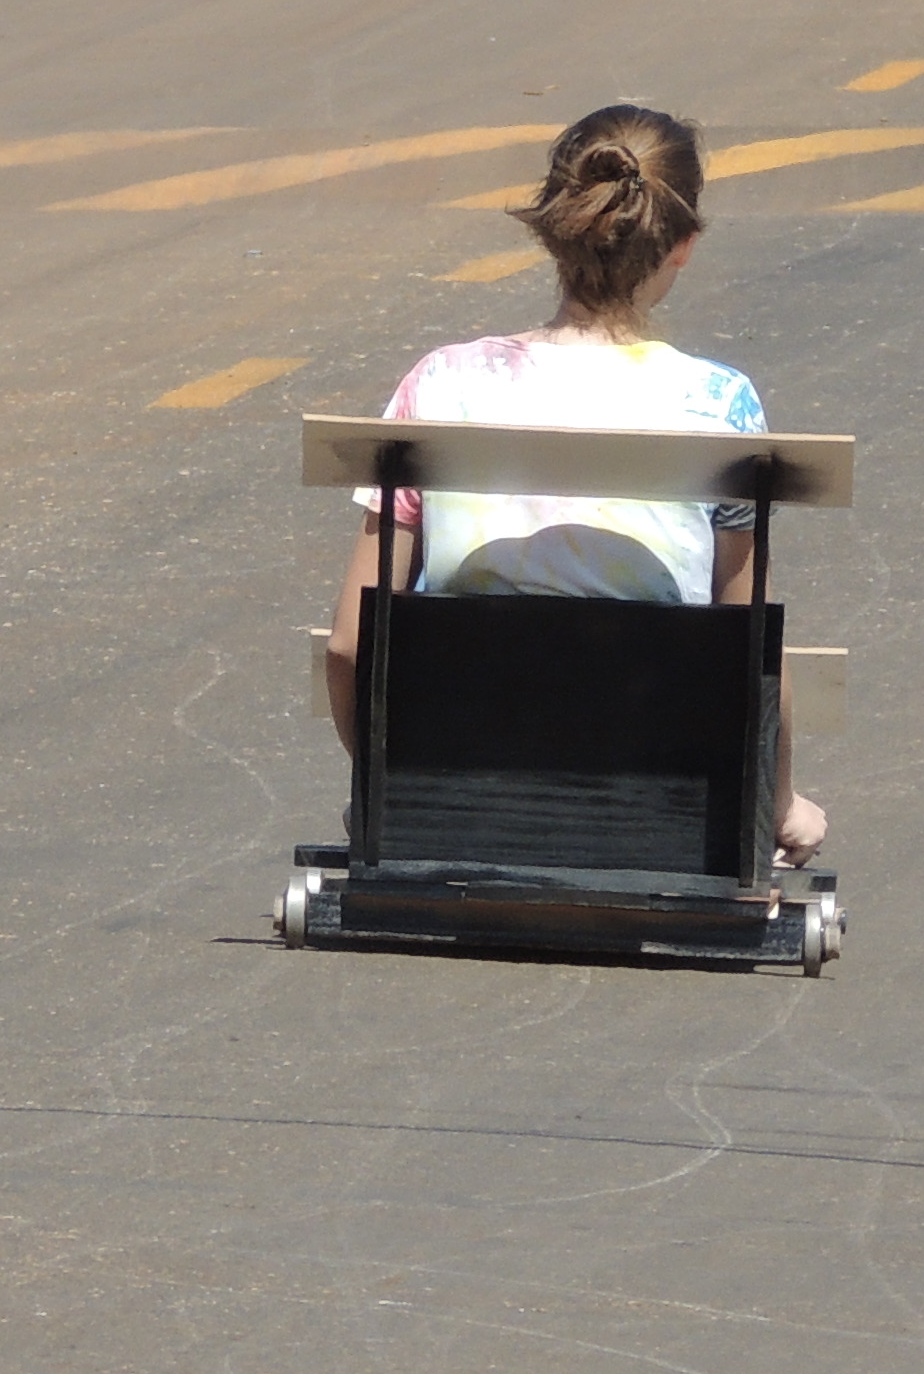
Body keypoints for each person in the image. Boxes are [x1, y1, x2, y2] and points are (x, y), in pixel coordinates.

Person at [319, 106, 829, 855]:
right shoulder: (720, 406)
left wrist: (390, 781)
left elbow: (348, 646)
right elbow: (748, 645)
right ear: (683, 245)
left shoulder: (441, 385)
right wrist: (781, 804)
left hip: (455, 785)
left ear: (554, 231)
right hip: (663, 797)